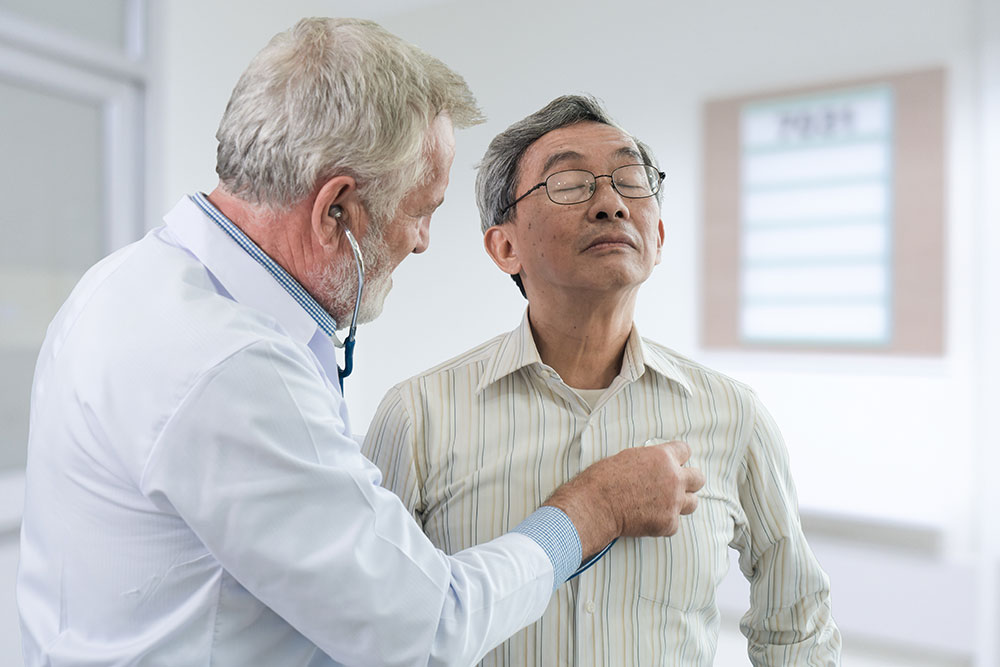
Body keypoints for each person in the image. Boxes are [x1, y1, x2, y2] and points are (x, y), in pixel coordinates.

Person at [15, 21, 706, 667]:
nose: (423, 240)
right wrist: (594, 508)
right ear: (335, 209)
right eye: (421, 210)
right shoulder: (233, 369)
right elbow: (427, 627)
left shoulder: (124, 282)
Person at [363, 94, 842, 666]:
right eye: (569, 183)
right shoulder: (420, 415)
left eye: (631, 181)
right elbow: (370, 628)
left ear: (659, 236)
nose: (611, 203)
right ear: (505, 245)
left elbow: (798, 628)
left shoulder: (734, 414)